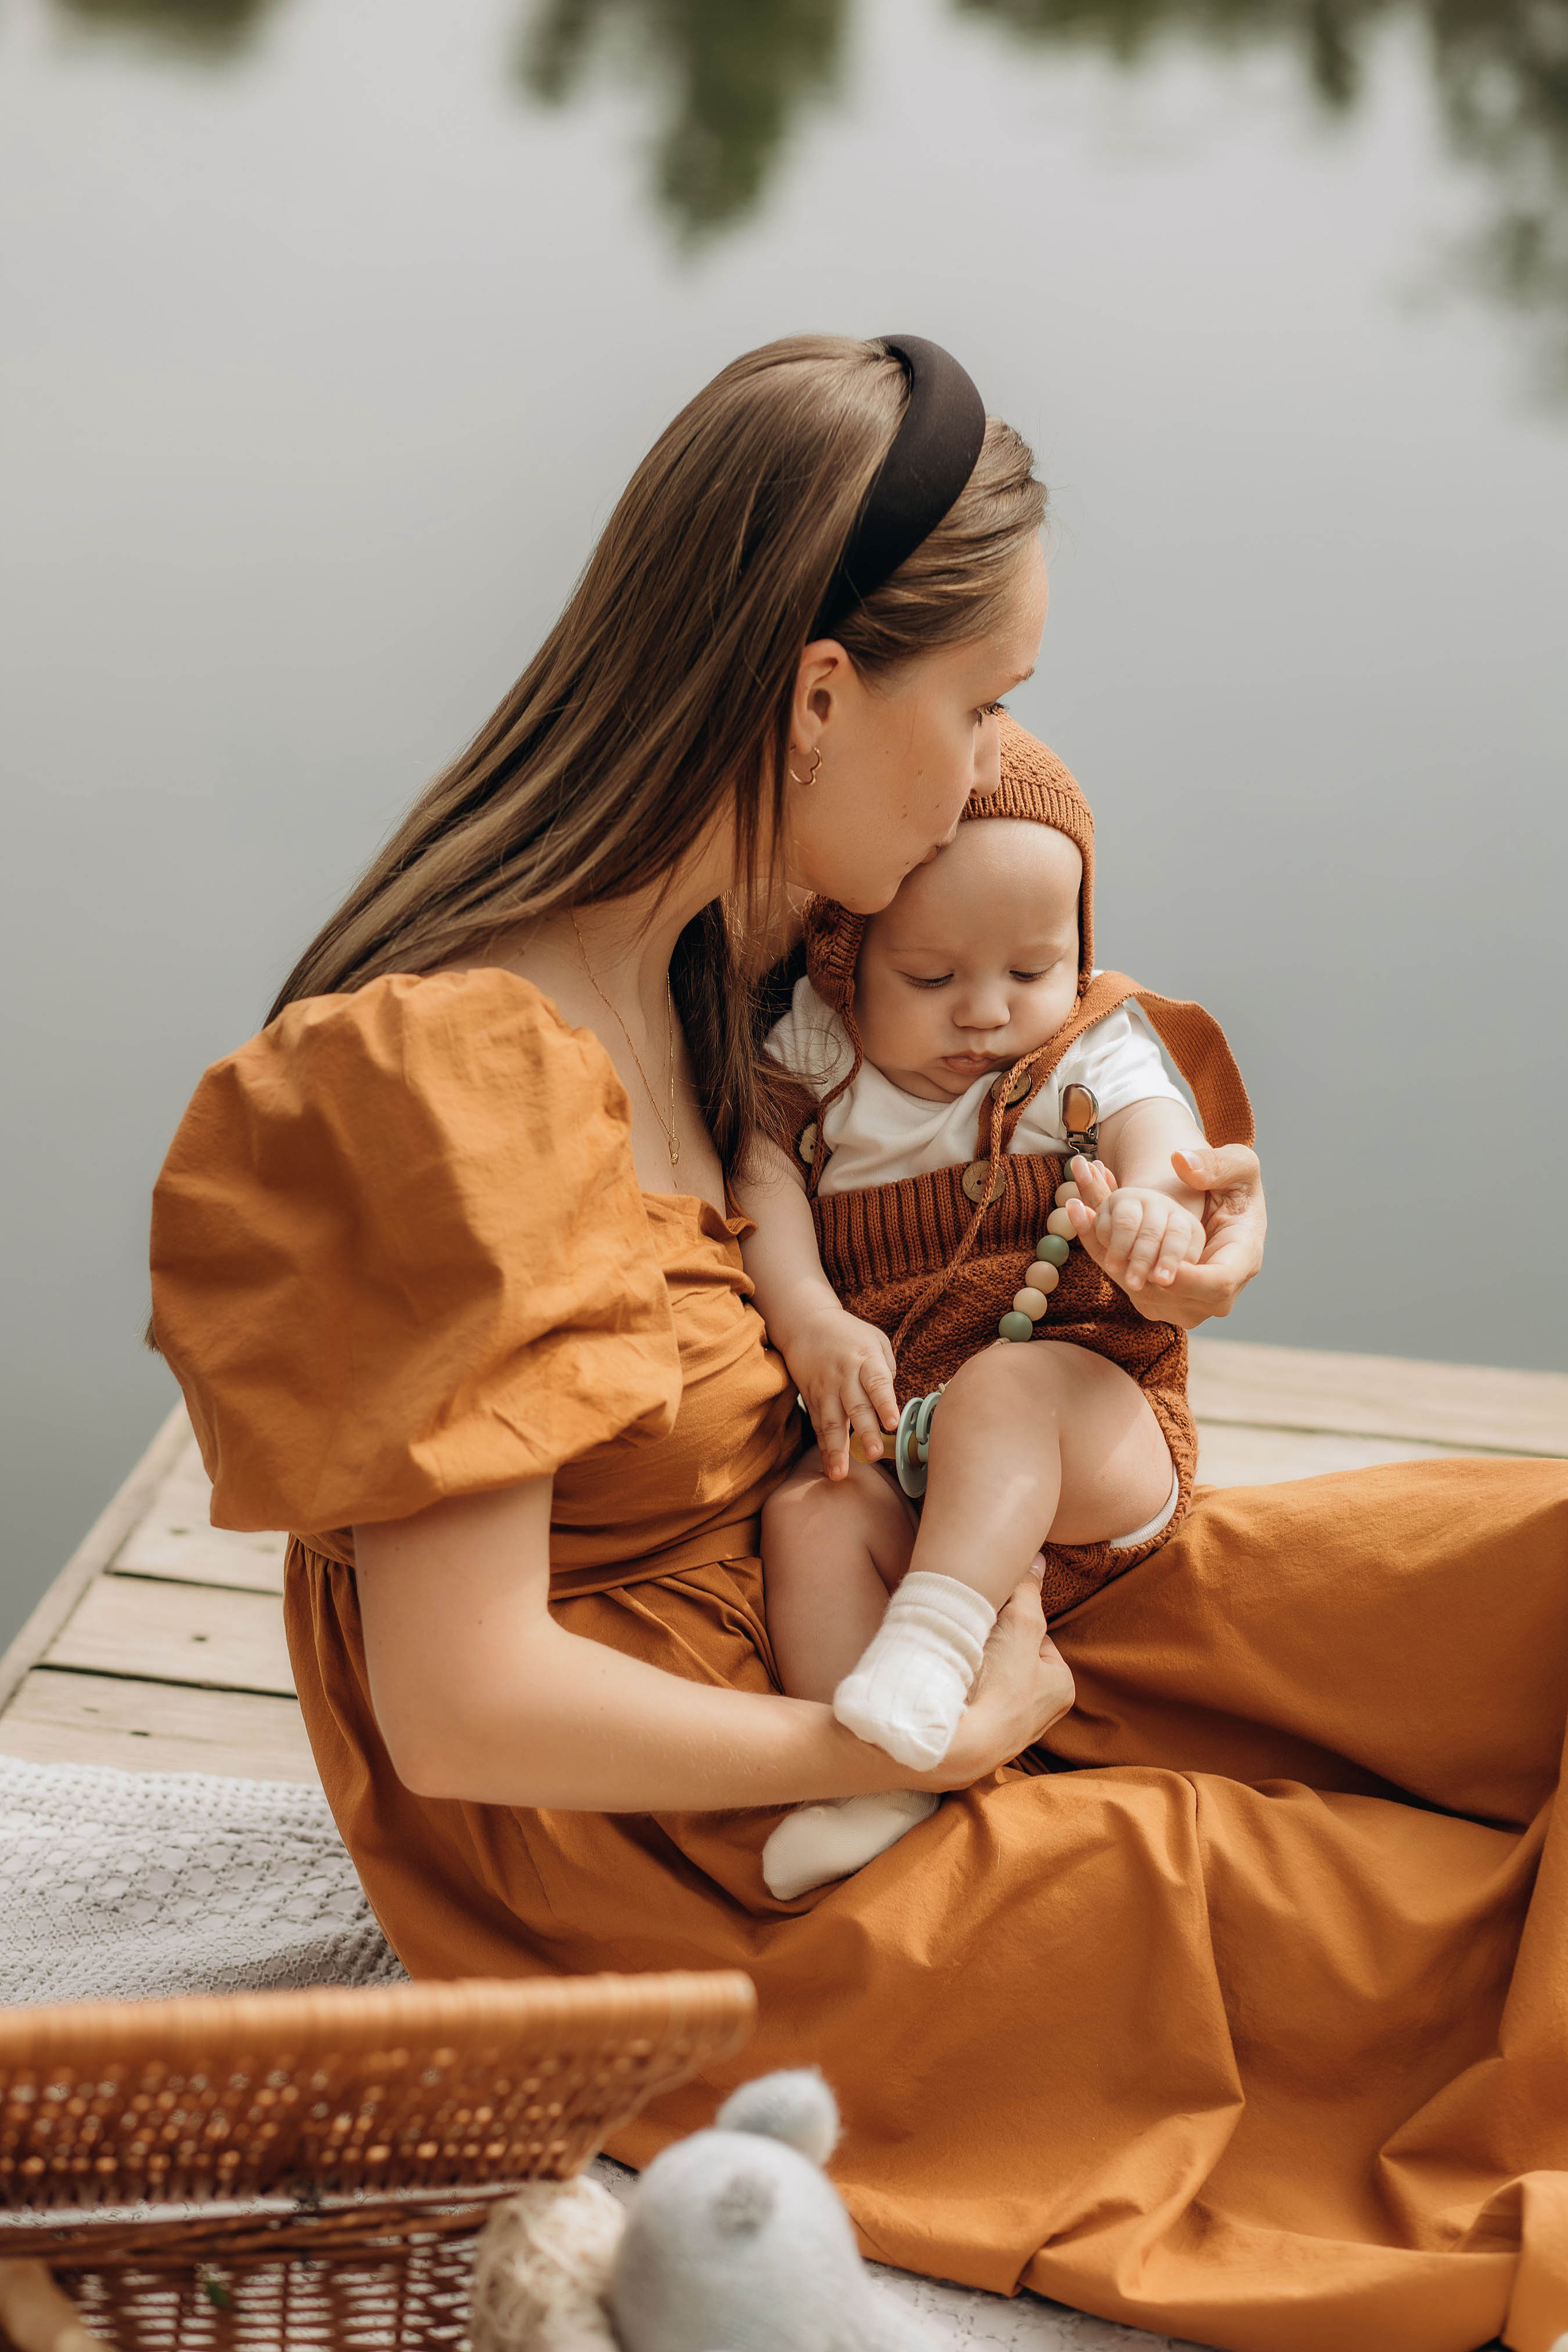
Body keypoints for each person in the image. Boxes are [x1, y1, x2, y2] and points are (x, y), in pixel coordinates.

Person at [149, 334, 1568, 2352]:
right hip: (706, 1843)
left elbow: (1040, 1047)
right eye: (982, 704)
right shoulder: (442, 1072)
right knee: (1381, 1929)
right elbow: (458, 1703)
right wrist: (878, 1741)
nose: (995, 759)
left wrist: (1169, 1229)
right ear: (821, 692)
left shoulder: (737, 959)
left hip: (902, 1572)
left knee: (1520, 1590)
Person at [739, 714, 1254, 1898]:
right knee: (809, 1519)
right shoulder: (815, 1054)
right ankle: (871, 1773)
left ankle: (930, 1644)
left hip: (1092, 1451)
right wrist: (812, 1314)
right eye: (932, 978)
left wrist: (1157, 1213)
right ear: (843, 962)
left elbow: (1159, 1133)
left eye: (1030, 970)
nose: (987, 1012)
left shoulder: (1083, 1048)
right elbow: (758, 1176)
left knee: (1008, 1389)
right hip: (912, 1469)